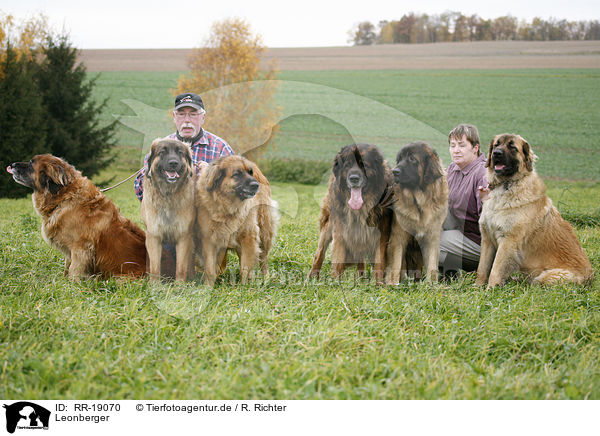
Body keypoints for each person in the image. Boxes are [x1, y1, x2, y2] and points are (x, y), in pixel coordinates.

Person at [134, 92, 235, 201]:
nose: (187, 120)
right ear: (174, 117)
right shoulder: (160, 149)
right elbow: (140, 192)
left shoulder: (220, 148)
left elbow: (236, 192)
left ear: (203, 117)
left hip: (207, 216)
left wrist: (212, 175)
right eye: (181, 114)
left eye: (193, 114)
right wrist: (153, 174)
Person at [439, 123, 489, 275]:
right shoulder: (453, 169)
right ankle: (449, 272)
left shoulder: (483, 173)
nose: (456, 150)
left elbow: (489, 222)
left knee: (431, 242)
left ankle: (454, 272)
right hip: (460, 230)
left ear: (475, 148)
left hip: (480, 241)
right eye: (452, 145)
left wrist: (486, 201)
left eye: (462, 145)